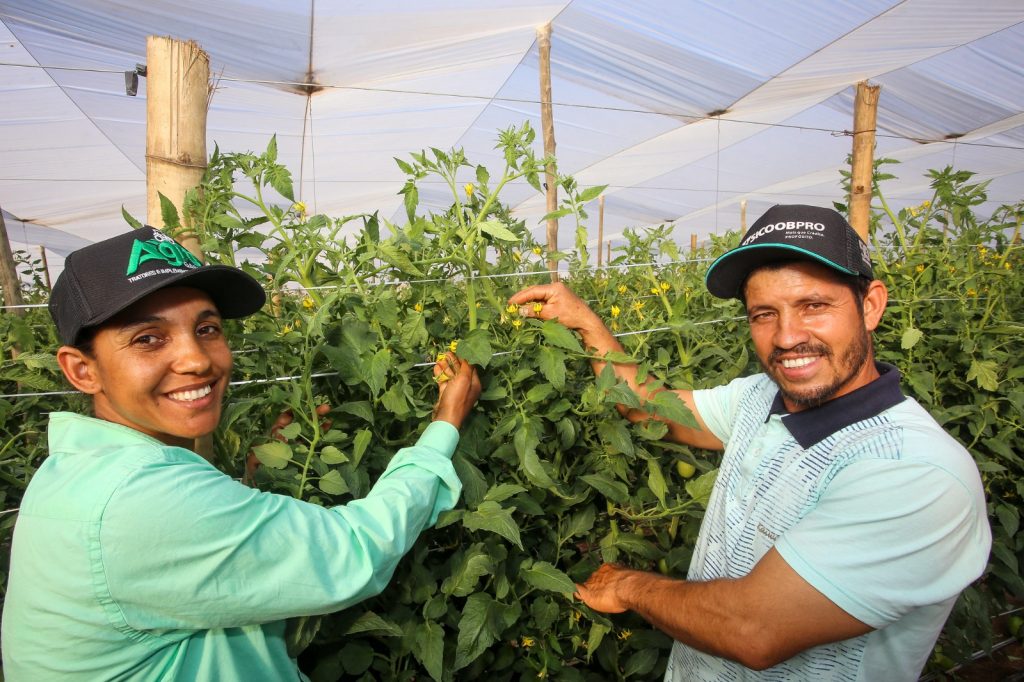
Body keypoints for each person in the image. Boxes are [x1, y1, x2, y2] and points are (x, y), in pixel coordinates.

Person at [509, 204, 991, 681]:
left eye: (814, 306)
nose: (787, 336)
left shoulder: (915, 470)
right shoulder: (760, 397)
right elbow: (647, 407)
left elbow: (753, 629)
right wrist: (585, 322)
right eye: (764, 314)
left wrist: (628, 586)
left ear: (870, 306)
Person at [1, 226, 481, 680]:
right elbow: (355, 551)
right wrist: (445, 423)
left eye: (207, 328)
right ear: (82, 371)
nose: (197, 359)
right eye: (148, 338)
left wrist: (248, 482)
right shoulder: (136, 500)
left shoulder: (76, 472)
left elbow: (188, 562)